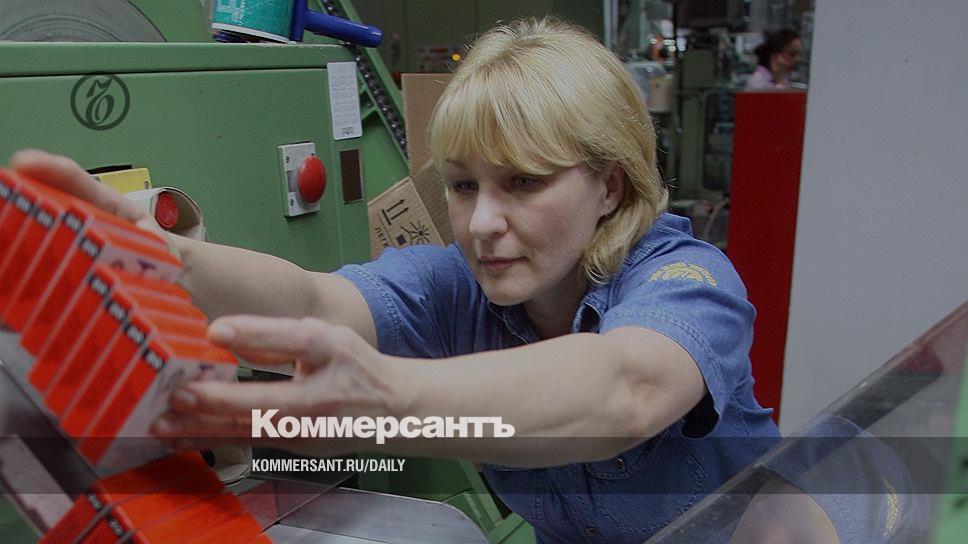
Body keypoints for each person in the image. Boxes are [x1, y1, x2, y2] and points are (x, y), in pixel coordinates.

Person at [12, 18, 780, 543]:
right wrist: (160, 257)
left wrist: (391, 402)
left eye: (522, 182)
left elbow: (626, 391)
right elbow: (315, 300)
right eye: (464, 185)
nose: (481, 223)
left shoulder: (686, 279)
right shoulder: (459, 286)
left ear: (609, 186)